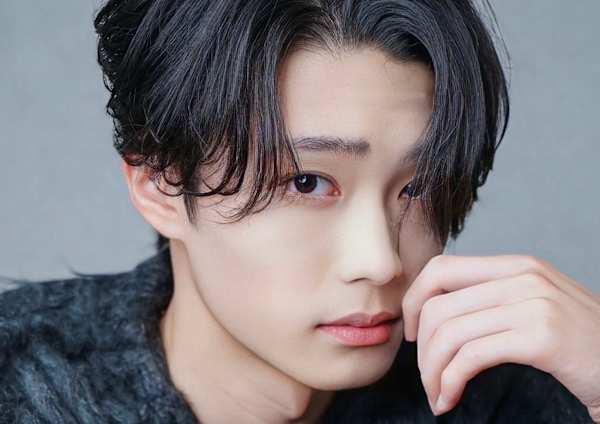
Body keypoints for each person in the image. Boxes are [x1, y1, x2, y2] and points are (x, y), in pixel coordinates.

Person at [1, 0, 599, 422]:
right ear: (160, 184)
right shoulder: (19, 388)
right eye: (307, 182)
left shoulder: (503, 395)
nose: (381, 262)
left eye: (419, 186)